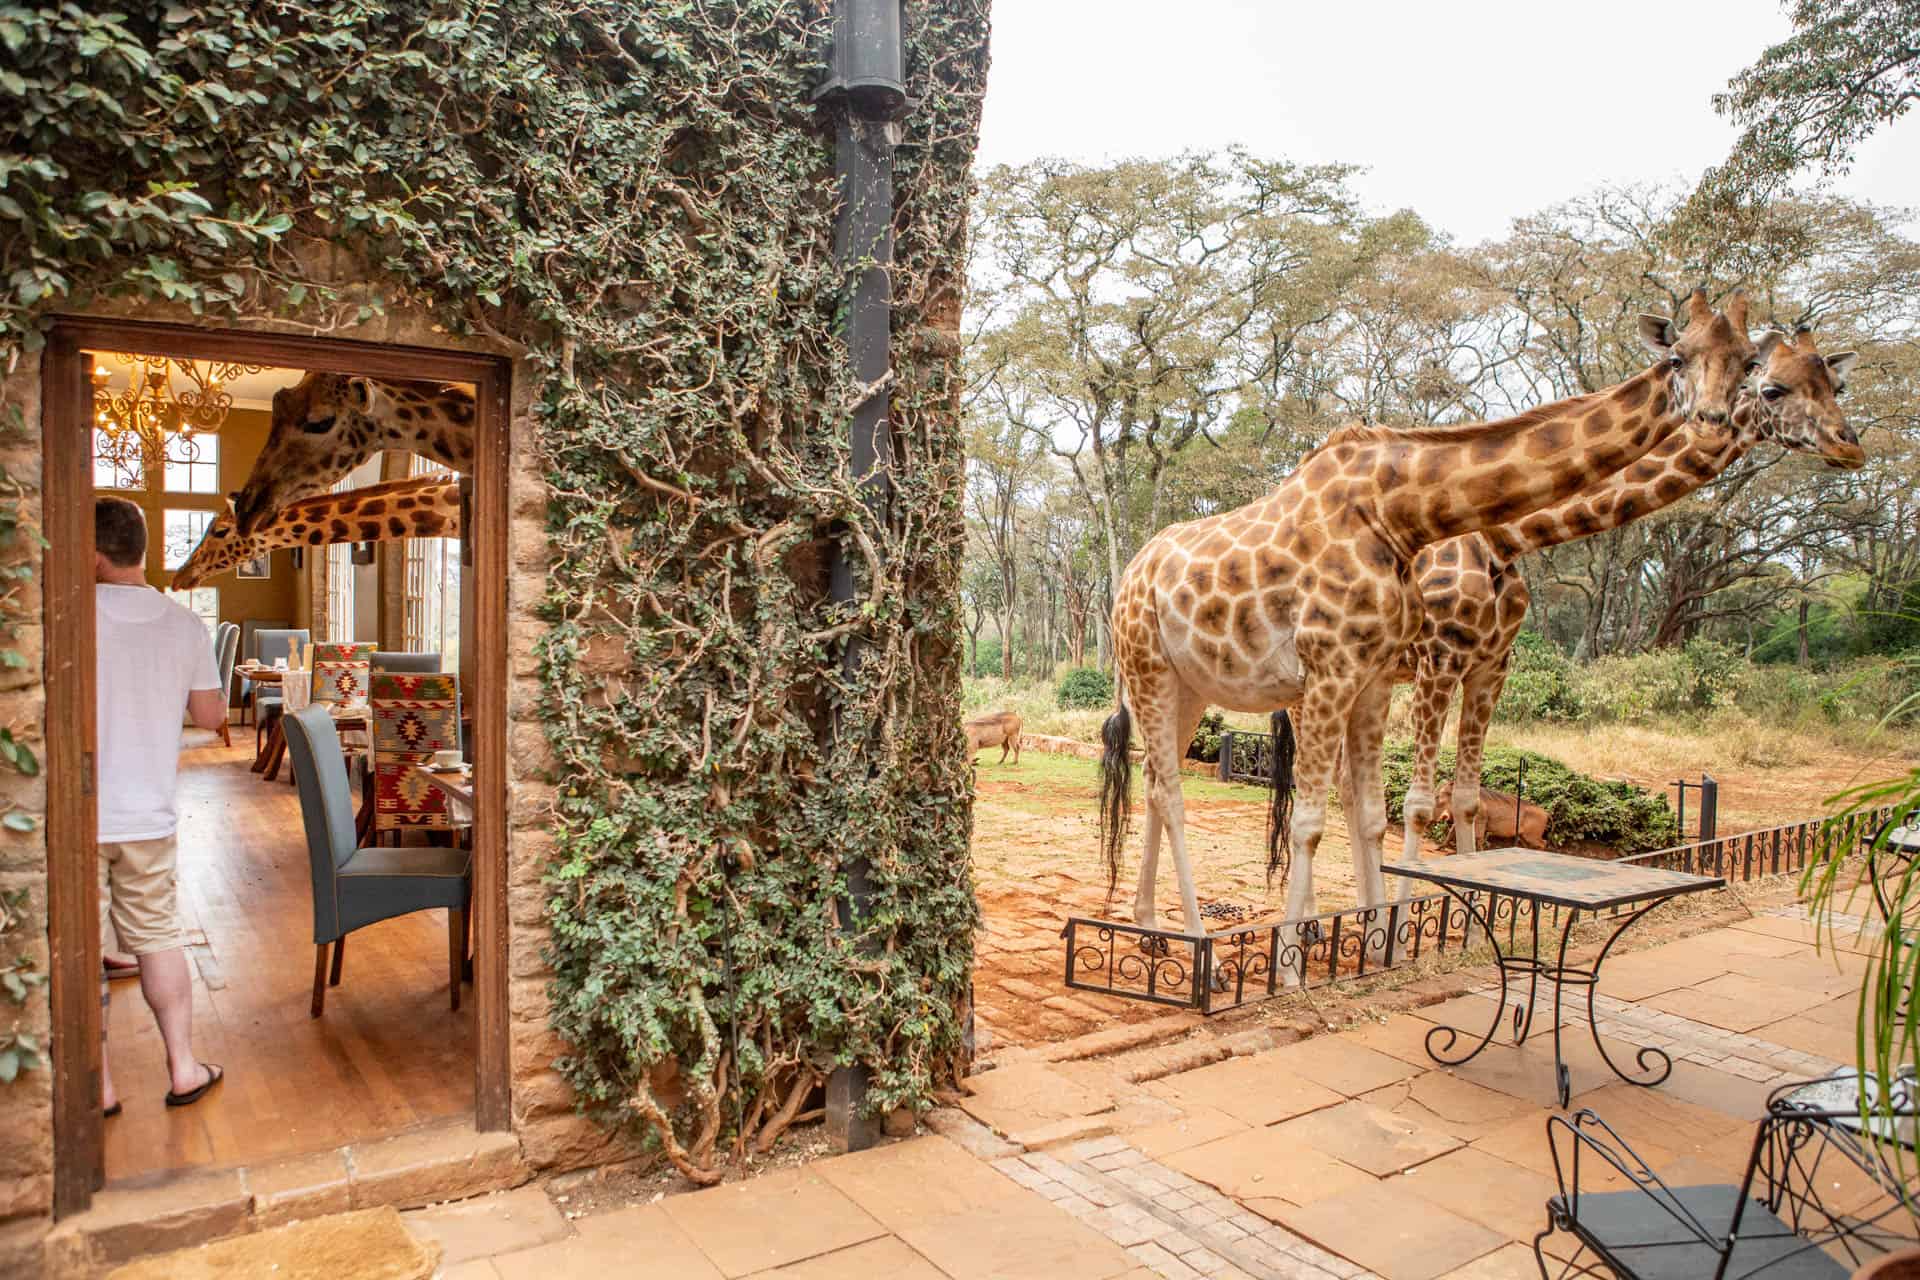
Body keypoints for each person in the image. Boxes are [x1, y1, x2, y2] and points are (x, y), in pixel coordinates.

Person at [94, 497, 227, 1114]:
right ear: (141, 550)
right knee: (158, 935)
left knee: (79, 948)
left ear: (92, 552)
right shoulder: (184, 624)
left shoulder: (66, 614)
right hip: (148, 811)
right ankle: (182, 1068)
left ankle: (98, 1086)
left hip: (77, 814)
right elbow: (212, 716)